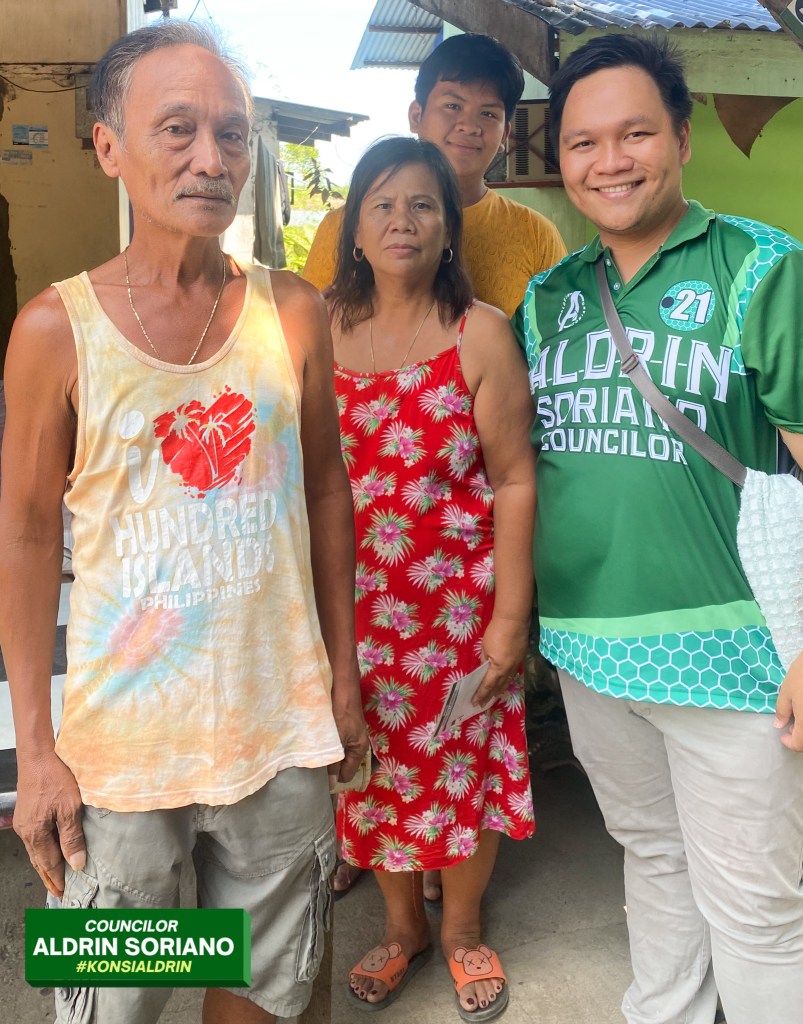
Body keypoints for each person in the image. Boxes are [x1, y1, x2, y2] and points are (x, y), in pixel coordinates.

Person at [0, 20, 367, 1024]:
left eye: (232, 133)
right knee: (115, 1003)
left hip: (277, 732)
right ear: (108, 146)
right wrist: (36, 750)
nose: (211, 158)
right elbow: (25, 536)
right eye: (178, 129)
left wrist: (341, 675)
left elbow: (326, 490)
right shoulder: (54, 329)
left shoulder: (292, 312)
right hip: (119, 760)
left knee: (267, 991)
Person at [514, 33, 803, 1024]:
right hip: (588, 652)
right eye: (582, 142)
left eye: (633, 133)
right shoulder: (546, 300)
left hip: (735, 660)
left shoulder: (759, 269)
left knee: (757, 907)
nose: (609, 161)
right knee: (652, 857)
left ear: (679, 137)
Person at [330, 135, 536, 1019]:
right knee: (370, 771)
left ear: (449, 227)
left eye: (421, 204)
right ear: (353, 229)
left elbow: (514, 479)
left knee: (462, 771)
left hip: (457, 613)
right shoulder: (319, 332)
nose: (401, 221)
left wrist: (509, 619)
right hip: (354, 613)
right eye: (380, 204)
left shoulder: (478, 332)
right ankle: (401, 926)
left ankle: (459, 928)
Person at [302, 32, 567, 318]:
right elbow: (311, 332)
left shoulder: (536, 235)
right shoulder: (344, 226)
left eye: (488, 114)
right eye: (453, 106)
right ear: (416, 116)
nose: (469, 126)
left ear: (504, 135)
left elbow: (565, 335)